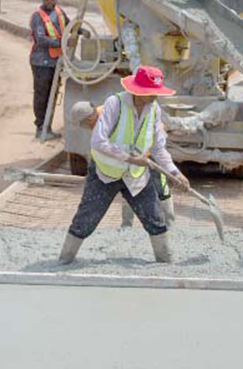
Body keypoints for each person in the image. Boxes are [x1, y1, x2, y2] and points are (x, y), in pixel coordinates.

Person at [58, 66, 190, 265]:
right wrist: (129, 158)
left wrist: (175, 172)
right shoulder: (115, 104)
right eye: (151, 92)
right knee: (86, 219)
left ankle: (166, 261)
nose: (155, 96)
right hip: (105, 174)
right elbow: (98, 142)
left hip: (135, 176)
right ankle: (64, 260)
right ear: (137, 91)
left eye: (156, 91)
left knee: (155, 219)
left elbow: (158, 148)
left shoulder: (154, 109)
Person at [70, 101, 176, 228]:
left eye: (83, 125)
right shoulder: (97, 119)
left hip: (151, 146)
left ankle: (170, 224)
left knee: (160, 187)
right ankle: (127, 225)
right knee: (128, 185)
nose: (85, 128)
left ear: (89, 119)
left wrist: (141, 154)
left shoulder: (112, 116)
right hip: (132, 153)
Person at [29, 0, 71, 140]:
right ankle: (40, 128)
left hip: (56, 62)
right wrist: (63, 43)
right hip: (41, 62)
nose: (49, 1)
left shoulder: (60, 12)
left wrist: (82, 31)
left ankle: (48, 127)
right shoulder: (37, 16)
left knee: (53, 95)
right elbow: (40, 39)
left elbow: (70, 25)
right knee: (42, 95)